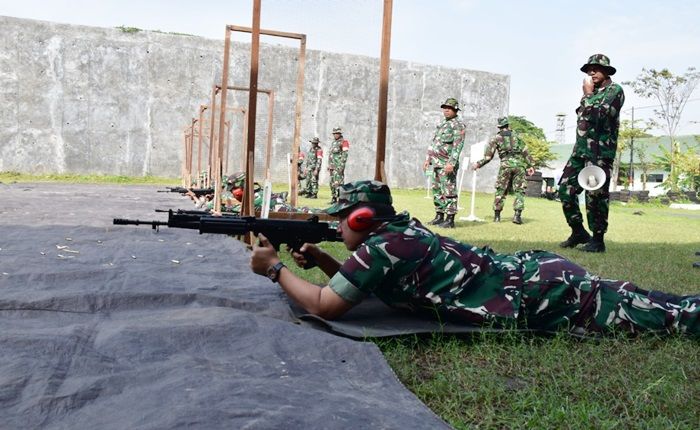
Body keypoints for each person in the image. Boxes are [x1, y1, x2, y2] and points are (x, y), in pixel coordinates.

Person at [250, 180, 699, 337]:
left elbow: (327, 306)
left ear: (364, 218)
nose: (338, 226)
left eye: (343, 218)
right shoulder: (395, 235)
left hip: (545, 293)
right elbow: (374, 286)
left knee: (664, 315)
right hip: (534, 278)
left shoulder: (383, 246)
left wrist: (274, 268)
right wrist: (327, 264)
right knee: (649, 302)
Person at [558, 54, 625, 253]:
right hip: (580, 152)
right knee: (565, 190)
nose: (591, 72)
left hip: (599, 152)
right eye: (589, 69)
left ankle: (597, 239)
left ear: (606, 71)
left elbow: (600, 116)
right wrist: (588, 96)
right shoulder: (592, 92)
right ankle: (578, 231)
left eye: (595, 68)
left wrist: (587, 95)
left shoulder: (615, 91)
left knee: (595, 196)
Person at [473, 117, 535, 224]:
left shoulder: (496, 138)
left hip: (505, 166)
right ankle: (517, 216)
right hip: (519, 166)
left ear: (499, 127)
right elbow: (526, 153)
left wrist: (478, 164)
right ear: (508, 125)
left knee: (501, 190)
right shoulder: (518, 137)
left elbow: (488, 157)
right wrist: (531, 166)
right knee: (519, 191)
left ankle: (497, 217)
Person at [422, 98, 466, 228]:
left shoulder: (458, 125)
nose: (446, 110)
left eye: (449, 108)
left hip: (446, 164)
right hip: (435, 163)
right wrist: (427, 159)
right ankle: (439, 216)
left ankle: (450, 219)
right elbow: (434, 143)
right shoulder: (442, 124)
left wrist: (451, 163)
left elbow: (458, 146)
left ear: (455, 109)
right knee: (437, 190)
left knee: (449, 190)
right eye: (444, 108)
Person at [327, 127, 350, 204]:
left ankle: (340, 200)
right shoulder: (333, 143)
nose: (335, 135)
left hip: (338, 167)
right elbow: (331, 155)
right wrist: (329, 165)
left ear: (340, 134)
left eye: (337, 133)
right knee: (332, 183)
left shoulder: (344, 142)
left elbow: (345, 155)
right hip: (332, 167)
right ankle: (333, 198)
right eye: (334, 134)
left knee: (338, 183)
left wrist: (341, 167)